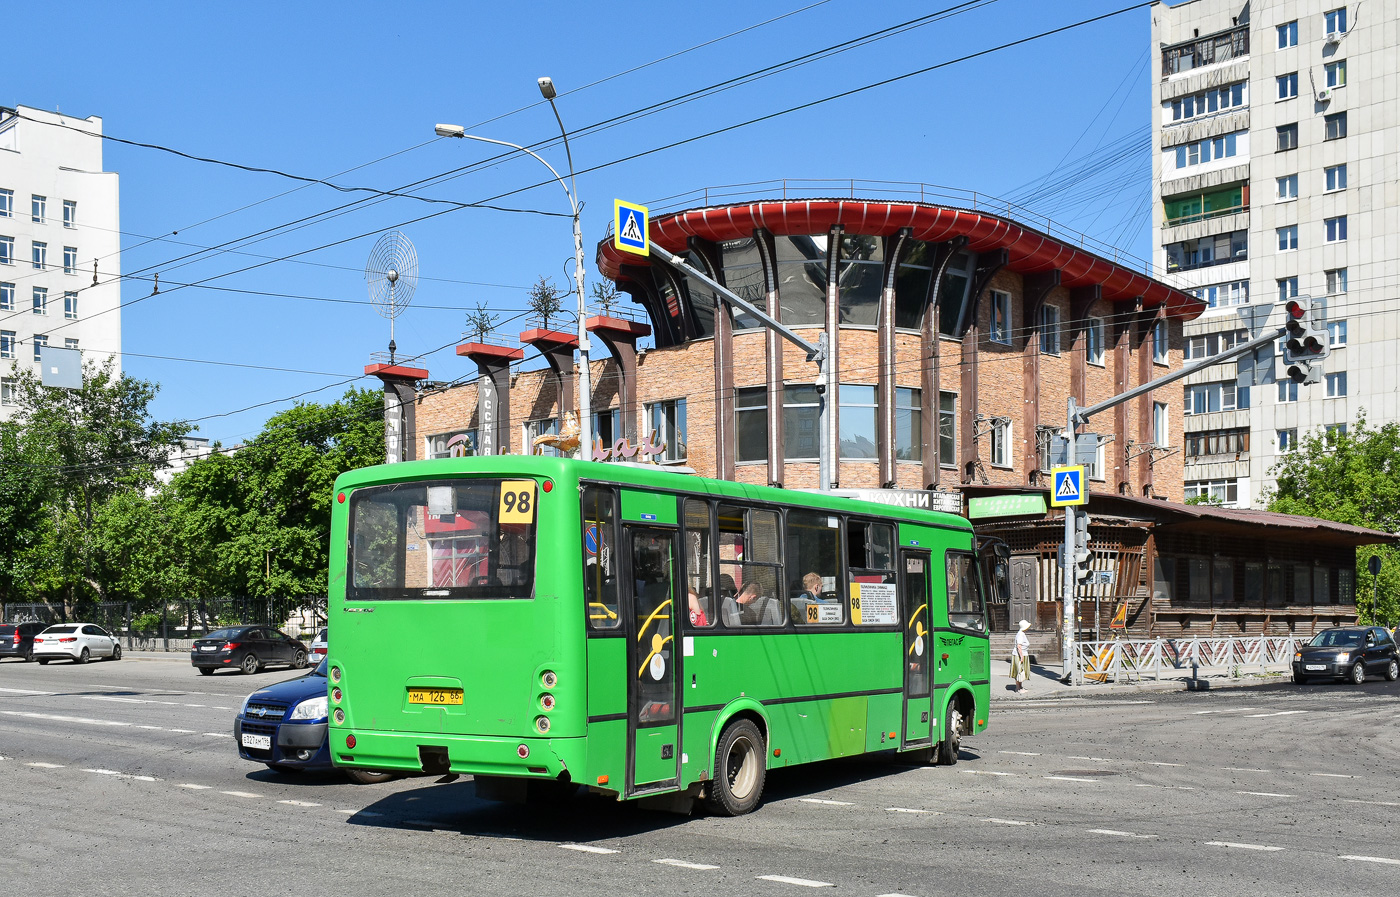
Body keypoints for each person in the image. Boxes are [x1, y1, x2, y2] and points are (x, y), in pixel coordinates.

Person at [1011, 619, 1031, 693]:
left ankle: (1020, 687)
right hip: (1019, 655)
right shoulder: (1020, 634)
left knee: (1021, 671)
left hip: (1022, 654)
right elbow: (1019, 646)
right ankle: (1018, 688)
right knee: (1019, 671)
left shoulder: (1021, 633)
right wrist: (1021, 656)